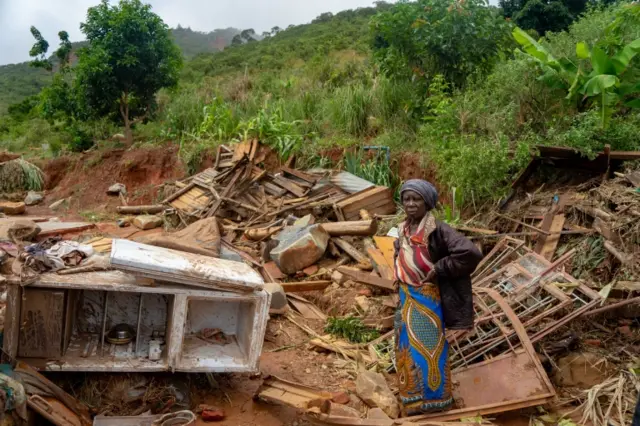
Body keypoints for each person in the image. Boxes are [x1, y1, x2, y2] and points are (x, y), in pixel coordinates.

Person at [393, 179, 482, 415]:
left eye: (417, 199)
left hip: (426, 298)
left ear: (428, 203)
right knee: (406, 348)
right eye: (407, 199)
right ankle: (411, 398)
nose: (411, 204)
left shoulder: (438, 229)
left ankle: (435, 402)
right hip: (406, 296)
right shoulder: (403, 228)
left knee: (429, 349)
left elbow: (470, 252)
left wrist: (439, 269)